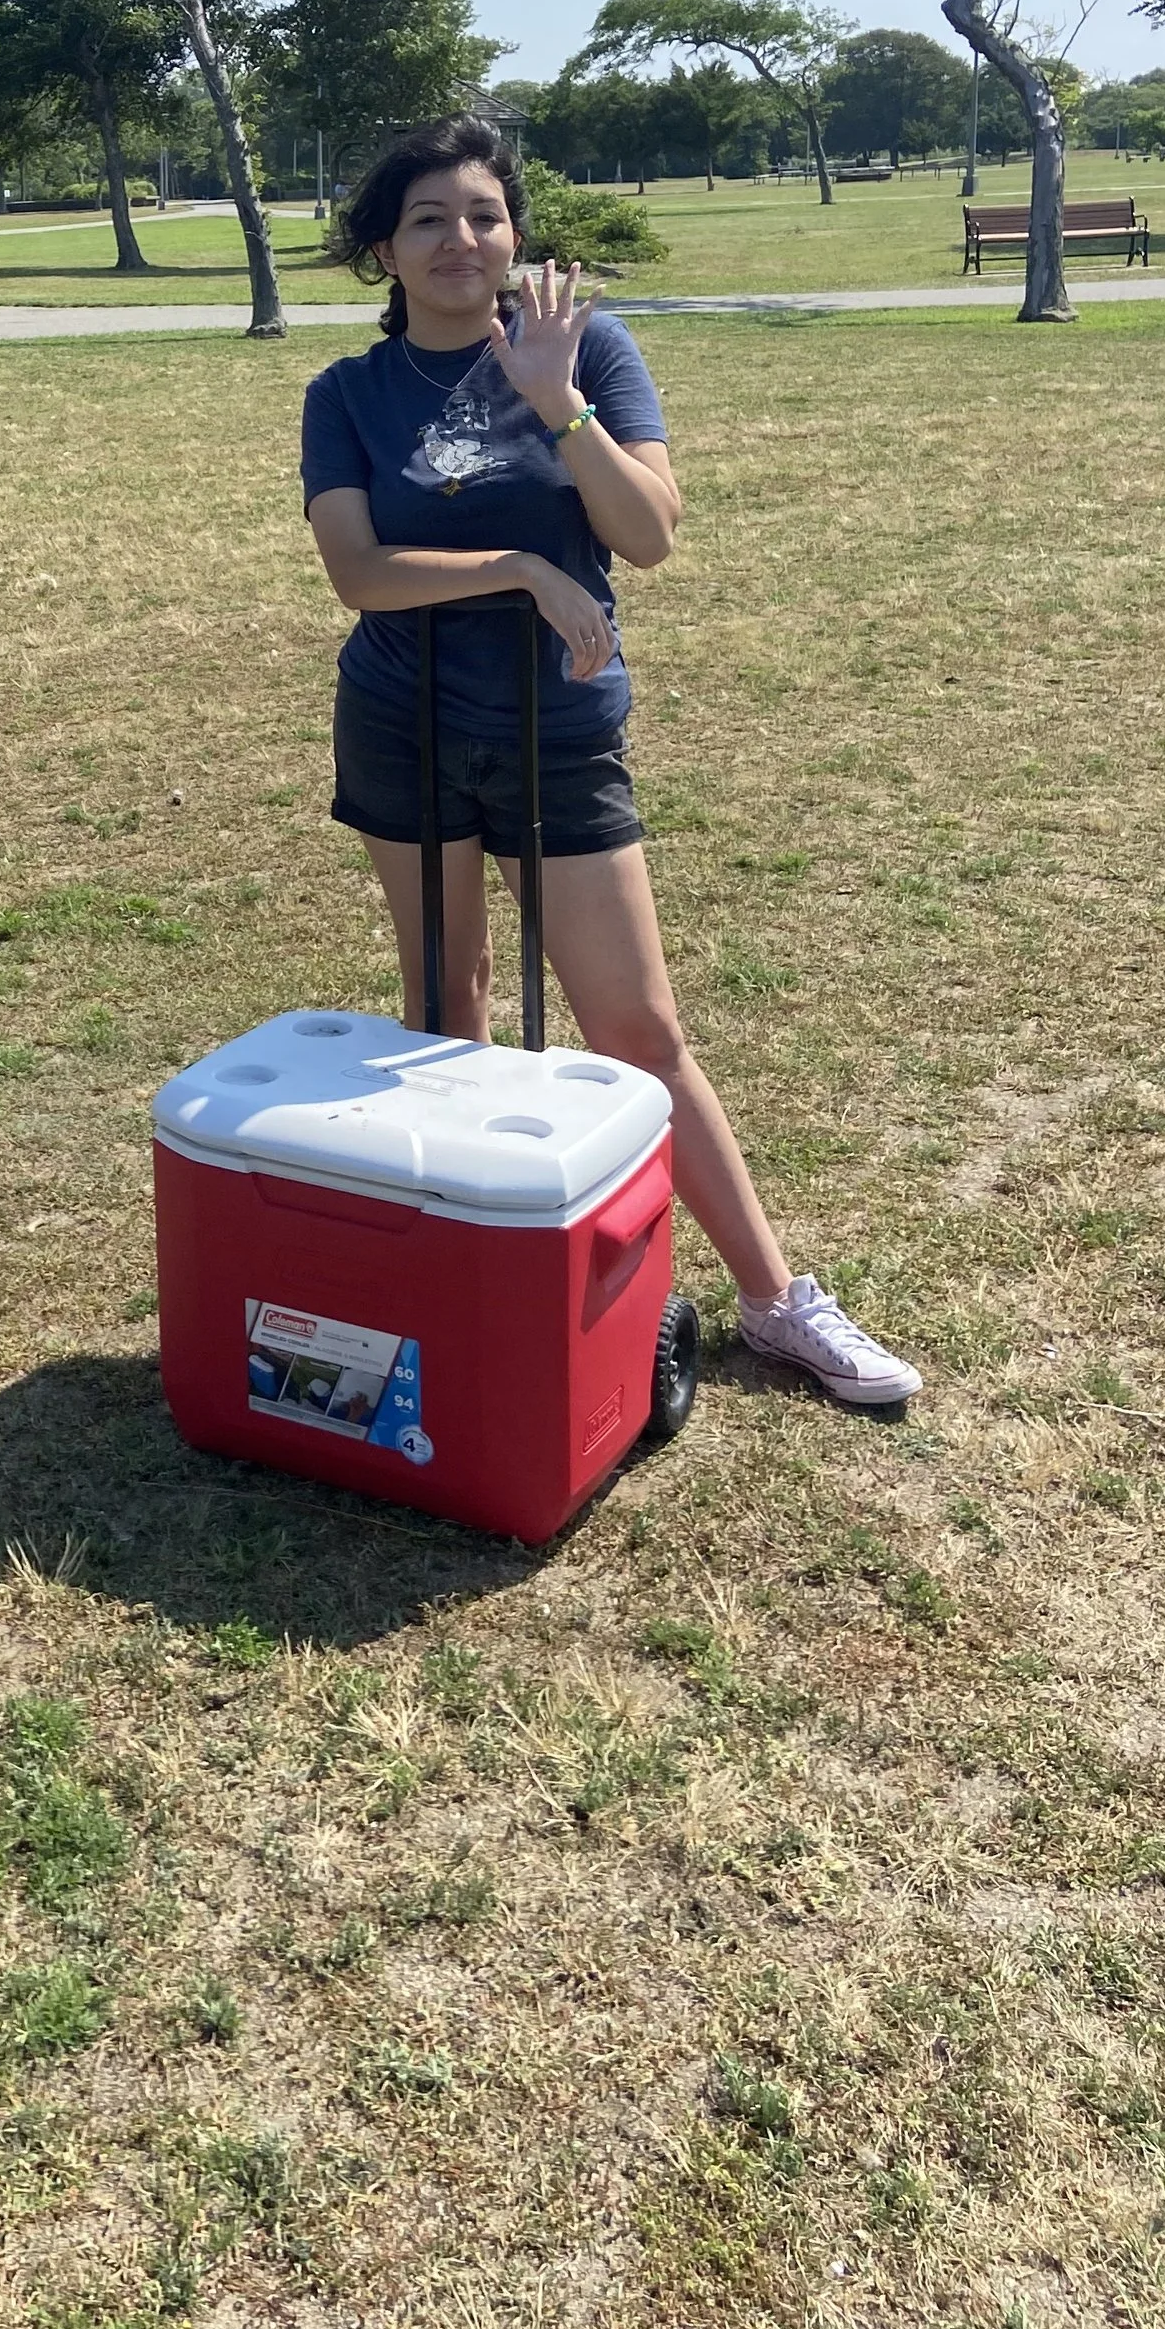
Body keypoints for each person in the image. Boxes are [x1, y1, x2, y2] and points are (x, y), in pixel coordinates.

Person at [300, 116, 921, 1410]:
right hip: (405, 720)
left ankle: (776, 1300)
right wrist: (522, 566)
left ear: (515, 232)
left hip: (559, 728)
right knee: (446, 1013)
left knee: (636, 1026)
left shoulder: (588, 352)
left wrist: (555, 401)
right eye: (428, 219)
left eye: (483, 213)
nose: (461, 239)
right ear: (384, 251)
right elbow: (359, 569)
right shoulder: (347, 396)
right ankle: (475, 1273)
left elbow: (647, 534)